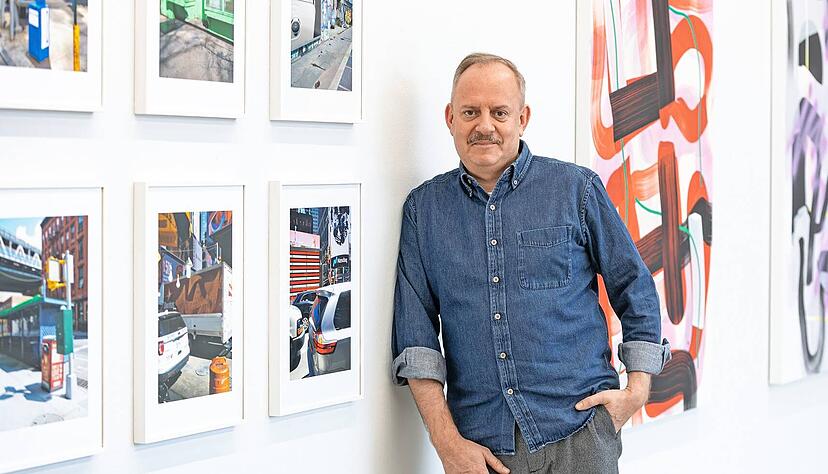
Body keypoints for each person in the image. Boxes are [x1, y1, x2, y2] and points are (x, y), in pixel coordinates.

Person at [391, 53, 671, 474]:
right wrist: (447, 444)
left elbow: (633, 284)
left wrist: (637, 388)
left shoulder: (575, 190)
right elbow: (417, 343)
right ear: (450, 117)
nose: (484, 125)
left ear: (523, 118)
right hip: (485, 452)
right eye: (470, 112)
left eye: (499, 112)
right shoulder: (423, 211)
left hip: (581, 437)